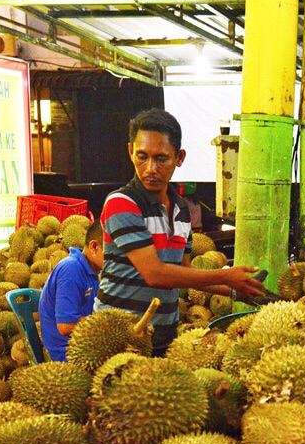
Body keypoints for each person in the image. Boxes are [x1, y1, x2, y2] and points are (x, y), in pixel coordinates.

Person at [95, 108, 265, 356]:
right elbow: (154, 274)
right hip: (119, 336)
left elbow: (184, 272)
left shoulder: (181, 210)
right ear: (130, 151)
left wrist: (237, 291)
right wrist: (225, 277)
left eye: (161, 158)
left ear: (179, 157)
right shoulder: (121, 203)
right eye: (142, 156)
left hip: (163, 334)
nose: (150, 168)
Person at [38, 222, 104, 362]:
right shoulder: (71, 270)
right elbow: (66, 326)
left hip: (81, 345)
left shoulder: (91, 272)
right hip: (65, 353)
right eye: (113, 252)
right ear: (94, 247)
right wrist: (104, 326)